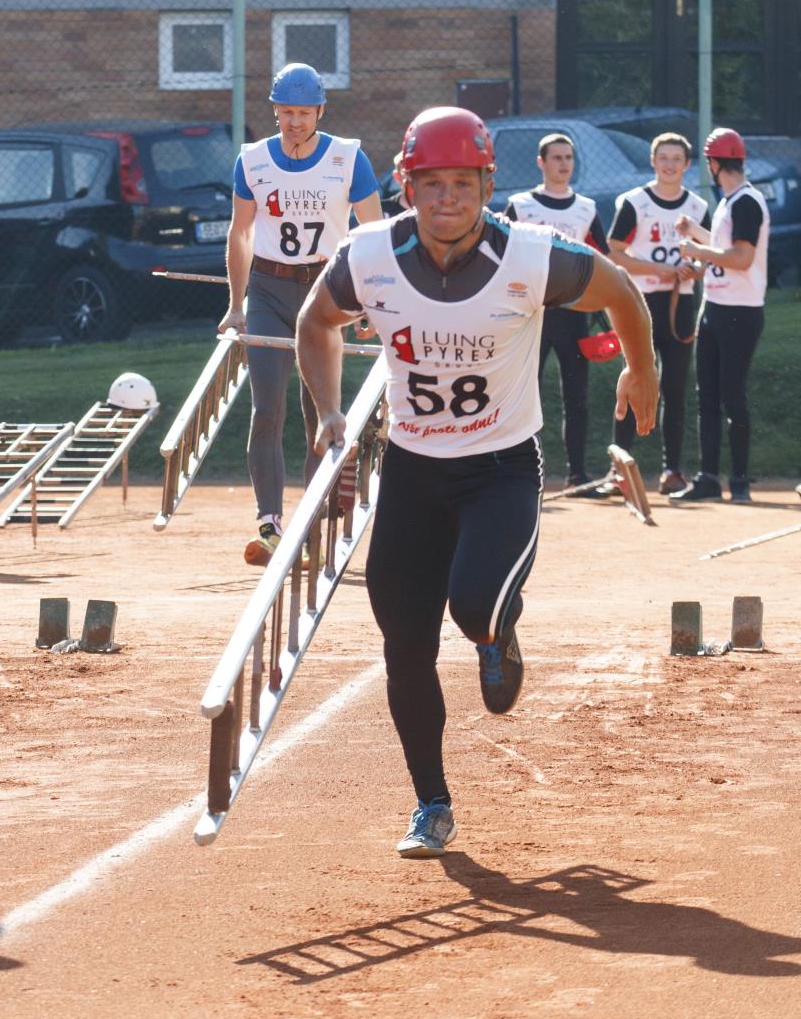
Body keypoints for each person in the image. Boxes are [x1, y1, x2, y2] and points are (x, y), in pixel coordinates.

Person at [296, 107, 656, 859]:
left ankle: (497, 632)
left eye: (463, 183)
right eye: (432, 183)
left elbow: (622, 289)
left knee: (473, 605)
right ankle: (431, 803)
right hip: (413, 473)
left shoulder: (530, 254)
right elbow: (314, 321)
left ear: (488, 186)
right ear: (407, 188)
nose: (448, 198)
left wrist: (641, 369)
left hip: (499, 470)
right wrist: (329, 413)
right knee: (404, 645)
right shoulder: (369, 255)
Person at [219, 62, 383, 566]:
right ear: (275, 111)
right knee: (267, 407)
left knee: (320, 412)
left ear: (320, 112)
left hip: (325, 294)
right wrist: (236, 306)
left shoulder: (347, 158)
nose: (294, 122)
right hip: (269, 291)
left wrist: (370, 301)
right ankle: (270, 525)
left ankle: (311, 527)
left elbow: (372, 232)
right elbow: (241, 234)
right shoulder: (252, 160)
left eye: (303, 113)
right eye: (286, 112)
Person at [504, 134, 610, 492]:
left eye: (569, 158)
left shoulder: (586, 209)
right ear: (541, 162)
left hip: (572, 312)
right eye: (557, 158)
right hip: (530, 314)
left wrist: (599, 302)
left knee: (576, 397)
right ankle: (522, 473)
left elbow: (602, 260)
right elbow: (502, 256)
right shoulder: (520, 206)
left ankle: (577, 474)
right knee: (523, 395)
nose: (564, 164)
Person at [606, 133, 710, 495]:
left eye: (676, 159)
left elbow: (709, 254)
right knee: (634, 379)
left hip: (679, 306)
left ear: (687, 164)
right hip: (640, 303)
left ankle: (672, 471)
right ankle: (618, 470)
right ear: (653, 161)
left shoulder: (696, 206)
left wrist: (694, 270)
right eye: (663, 157)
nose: (669, 164)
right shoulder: (635, 202)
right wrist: (658, 268)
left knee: (675, 388)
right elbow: (614, 252)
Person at [672, 127, 769, 504]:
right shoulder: (729, 201)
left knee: (731, 395)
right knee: (707, 396)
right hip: (714, 307)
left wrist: (696, 250)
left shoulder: (746, 202)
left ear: (713, 163)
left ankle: (739, 481)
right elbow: (723, 248)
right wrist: (696, 233)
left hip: (740, 311)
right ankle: (709, 478)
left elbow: (741, 258)